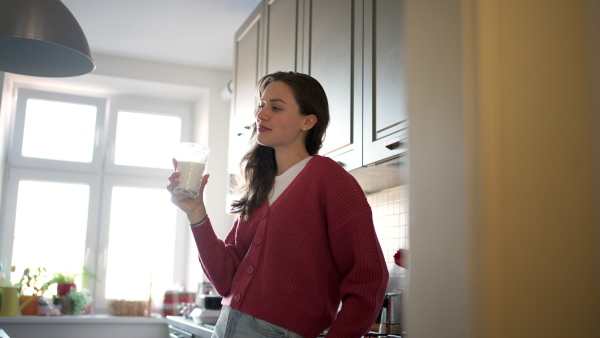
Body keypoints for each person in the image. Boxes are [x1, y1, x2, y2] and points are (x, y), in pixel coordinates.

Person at [167, 71, 388, 338]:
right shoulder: (261, 184)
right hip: (226, 326)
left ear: (308, 121)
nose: (261, 114)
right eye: (261, 106)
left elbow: (369, 278)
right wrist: (195, 211)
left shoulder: (331, 181)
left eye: (275, 107)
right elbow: (226, 282)